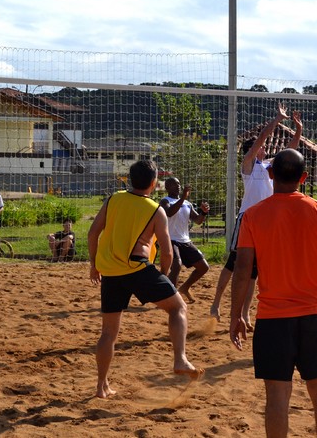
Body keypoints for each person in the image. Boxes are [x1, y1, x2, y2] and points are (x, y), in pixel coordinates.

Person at [229, 149, 317, 438]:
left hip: (273, 318)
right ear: (304, 177)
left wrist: (236, 314)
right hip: (315, 315)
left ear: (270, 174)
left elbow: (243, 268)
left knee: (277, 396)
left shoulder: (253, 215)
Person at [88, 160, 201, 399]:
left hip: (111, 272)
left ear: (130, 179)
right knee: (178, 308)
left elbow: (93, 232)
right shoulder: (155, 209)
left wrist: (94, 265)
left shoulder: (113, 199)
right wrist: (163, 275)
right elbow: (168, 252)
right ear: (153, 183)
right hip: (139, 268)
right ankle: (180, 359)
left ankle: (101, 386)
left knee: (108, 332)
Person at [209, 103, 302, 326]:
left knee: (254, 272)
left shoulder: (271, 166)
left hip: (267, 222)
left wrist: (298, 129)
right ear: (254, 150)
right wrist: (278, 120)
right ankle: (216, 303)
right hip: (247, 220)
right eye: (261, 146)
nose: (265, 147)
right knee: (232, 265)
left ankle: (245, 312)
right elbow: (261, 138)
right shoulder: (249, 165)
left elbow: (291, 151)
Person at [160, 177, 210, 304]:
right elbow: (169, 213)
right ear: (167, 188)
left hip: (185, 240)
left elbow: (197, 220)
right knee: (176, 265)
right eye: (173, 184)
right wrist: (182, 198)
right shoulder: (165, 201)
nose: (178, 186)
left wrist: (203, 213)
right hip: (170, 239)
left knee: (203, 267)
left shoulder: (187, 204)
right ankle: (169, 297)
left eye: (178, 183)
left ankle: (185, 288)